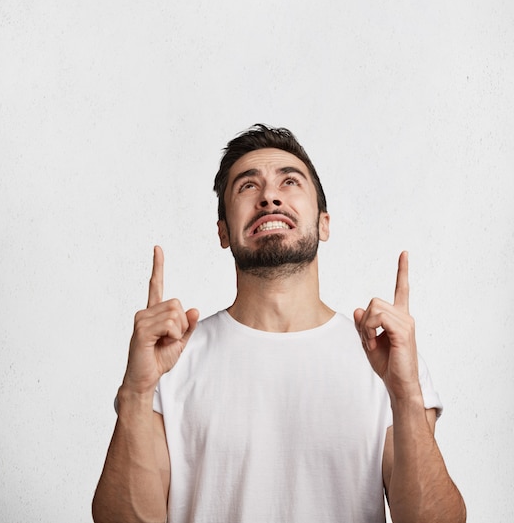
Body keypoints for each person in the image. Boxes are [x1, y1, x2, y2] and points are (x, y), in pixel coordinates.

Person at [92, 124, 466, 523]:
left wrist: (407, 395)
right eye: (247, 187)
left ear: (324, 223)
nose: (269, 196)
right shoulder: (170, 360)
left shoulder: (386, 359)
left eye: (289, 181)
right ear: (223, 231)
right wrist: (135, 392)